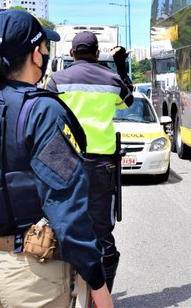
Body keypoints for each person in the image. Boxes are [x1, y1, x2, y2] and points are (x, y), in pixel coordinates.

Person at [0, 9, 112, 308]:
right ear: (36, 55)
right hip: (31, 271)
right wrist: (97, 281)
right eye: (45, 48)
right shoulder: (42, 110)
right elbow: (66, 207)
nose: (45, 54)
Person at [47, 31, 134, 292]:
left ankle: (63, 291)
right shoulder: (112, 80)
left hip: (63, 162)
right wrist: (121, 67)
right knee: (102, 232)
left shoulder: (56, 81)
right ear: (97, 54)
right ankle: (102, 295)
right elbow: (128, 101)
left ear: (72, 54)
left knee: (61, 224)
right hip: (101, 165)